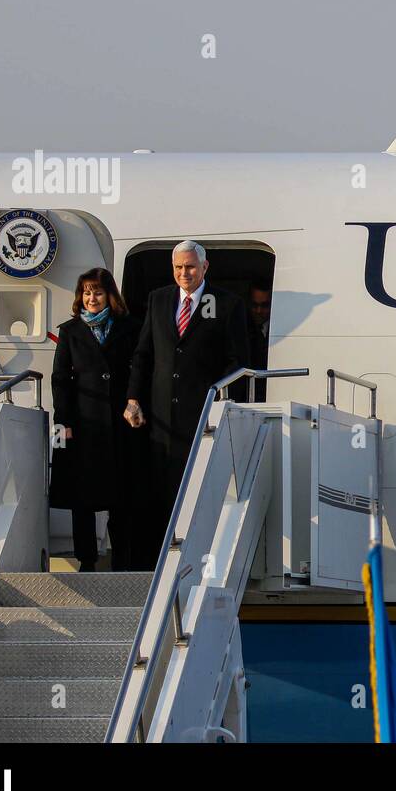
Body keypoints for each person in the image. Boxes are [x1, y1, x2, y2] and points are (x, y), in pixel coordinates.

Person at [124, 241, 249, 567]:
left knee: (198, 489)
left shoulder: (227, 304)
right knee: (160, 492)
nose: (184, 274)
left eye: (190, 267)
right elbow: (144, 354)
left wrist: (214, 398)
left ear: (204, 268)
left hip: (203, 415)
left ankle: (196, 558)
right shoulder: (159, 299)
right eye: (178, 268)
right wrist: (133, 398)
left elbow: (237, 362)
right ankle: (158, 562)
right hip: (160, 417)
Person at [51, 268, 147, 571]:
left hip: (120, 421)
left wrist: (135, 401)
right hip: (84, 422)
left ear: (109, 295)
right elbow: (60, 379)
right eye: (87, 292)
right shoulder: (70, 331)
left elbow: (139, 368)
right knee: (84, 497)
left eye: (98, 292)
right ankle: (87, 559)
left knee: (122, 495)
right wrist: (64, 421)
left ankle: (122, 557)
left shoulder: (129, 327)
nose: (92, 298)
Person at [245, 284, 271, 401]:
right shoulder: (241, 329)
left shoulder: (280, 328)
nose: (259, 311)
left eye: (265, 305)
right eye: (255, 305)